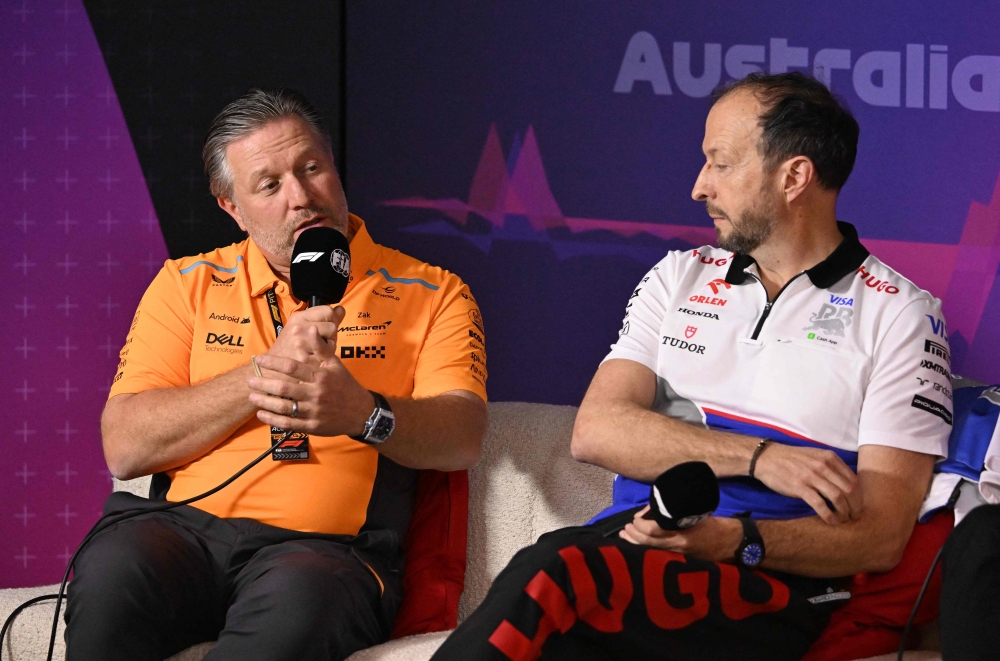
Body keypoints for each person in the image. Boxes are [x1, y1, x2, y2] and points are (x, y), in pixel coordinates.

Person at [431, 72, 953, 660]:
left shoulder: (900, 314)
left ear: (794, 177)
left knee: (553, 570)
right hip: (636, 543)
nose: (698, 187)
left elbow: (881, 538)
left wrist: (733, 540)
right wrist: (762, 458)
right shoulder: (678, 276)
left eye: (720, 164)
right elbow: (595, 430)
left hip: (777, 580)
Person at [65, 89, 488, 661]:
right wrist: (261, 375)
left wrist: (364, 414)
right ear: (231, 207)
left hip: (321, 553)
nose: (302, 197)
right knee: (114, 566)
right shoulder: (185, 284)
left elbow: (462, 436)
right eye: (269, 184)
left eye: (312, 168)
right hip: (183, 534)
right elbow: (125, 446)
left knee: (304, 602)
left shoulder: (434, 291)